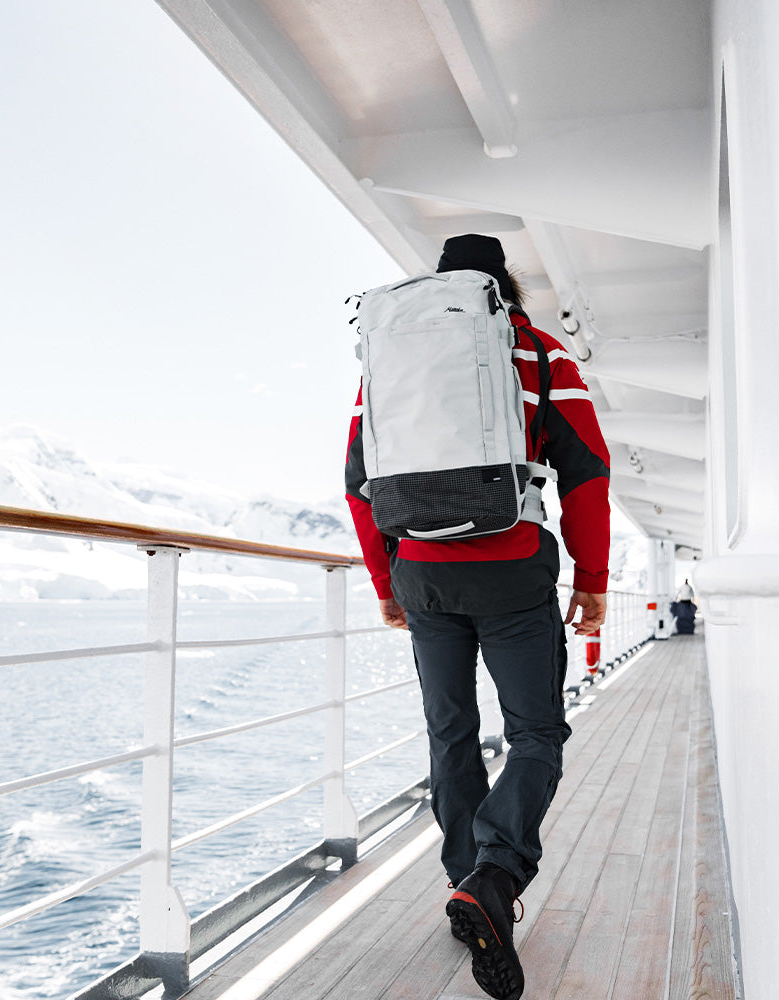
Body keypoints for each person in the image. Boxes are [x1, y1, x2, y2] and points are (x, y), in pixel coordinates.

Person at [345, 234, 610, 1000]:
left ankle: (470, 879)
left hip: (422, 574)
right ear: (507, 283)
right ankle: (493, 878)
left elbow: (358, 479)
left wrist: (386, 582)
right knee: (536, 734)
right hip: (512, 566)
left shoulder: (392, 359)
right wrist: (591, 577)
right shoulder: (538, 349)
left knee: (450, 732)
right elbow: (585, 470)